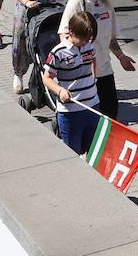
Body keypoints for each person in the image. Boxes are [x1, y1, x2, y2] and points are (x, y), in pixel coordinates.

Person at [61, 0, 136, 119]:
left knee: (111, 113)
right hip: (84, 72)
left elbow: (111, 39)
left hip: (105, 69)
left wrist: (121, 57)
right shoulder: (77, 2)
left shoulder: (105, 4)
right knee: (90, 117)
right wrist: (77, 55)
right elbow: (64, 34)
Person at [42, 10, 100, 155]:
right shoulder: (58, 52)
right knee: (73, 151)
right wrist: (60, 91)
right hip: (71, 112)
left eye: (89, 39)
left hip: (92, 106)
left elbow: (93, 60)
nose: (85, 42)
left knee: (93, 149)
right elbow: (47, 78)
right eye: (83, 38)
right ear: (71, 31)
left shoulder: (89, 46)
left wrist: (94, 78)